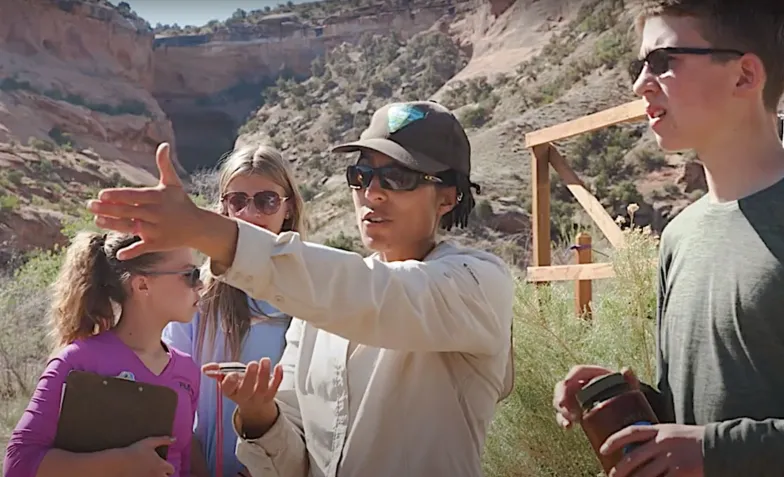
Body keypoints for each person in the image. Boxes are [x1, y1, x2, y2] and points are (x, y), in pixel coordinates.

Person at [85, 100, 514, 477]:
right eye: (362, 175)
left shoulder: (478, 284)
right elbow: (293, 459)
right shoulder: (315, 315)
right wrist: (259, 417)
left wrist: (206, 230)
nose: (373, 193)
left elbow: (378, 297)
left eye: (399, 177)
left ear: (448, 196)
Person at [552, 0, 784, 476]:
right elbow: (694, 415)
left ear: (744, 76)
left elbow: (710, 444)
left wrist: (715, 451)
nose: (639, 84)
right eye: (639, 64)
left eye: (663, 62)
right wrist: (629, 402)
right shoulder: (679, 236)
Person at [3, 231, 204, 477]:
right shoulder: (79, 362)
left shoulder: (187, 371)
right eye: (191, 275)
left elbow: (182, 466)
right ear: (142, 285)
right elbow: (19, 463)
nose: (201, 284)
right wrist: (122, 463)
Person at [162, 144, 307, 477]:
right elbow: (173, 395)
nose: (250, 214)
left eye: (266, 201)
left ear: (287, 208)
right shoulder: (196, 295)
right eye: (237, 201)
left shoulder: (308, 294)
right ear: (224, 208)